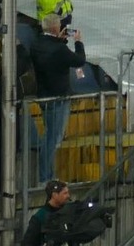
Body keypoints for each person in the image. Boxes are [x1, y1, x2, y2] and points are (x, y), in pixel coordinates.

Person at [30, 15, 89, 184]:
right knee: (52, 139)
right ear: (56, 28)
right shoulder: (59, 50)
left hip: (43, 96)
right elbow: (79, 60)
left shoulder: (36, 44)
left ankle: (46, 176)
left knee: (49, 136)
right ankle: (45, 178)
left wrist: (59, 41)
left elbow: (53, 57)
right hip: (58, 99)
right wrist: (78, 42)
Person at [22, 180, 74, 246]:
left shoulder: (68, 212)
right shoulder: (39, 217)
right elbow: (28, 242)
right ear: (54, 195)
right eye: (65, 193)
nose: (68, 196)